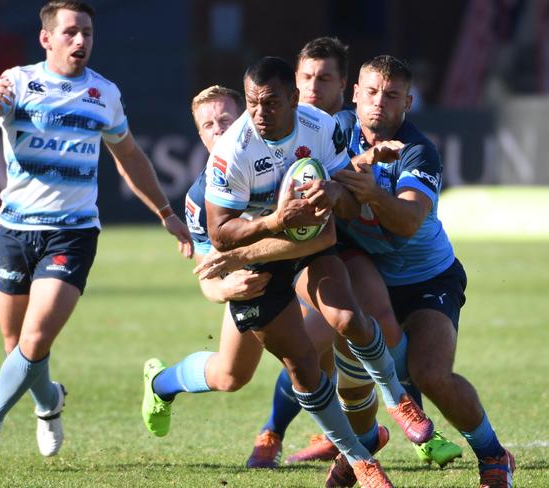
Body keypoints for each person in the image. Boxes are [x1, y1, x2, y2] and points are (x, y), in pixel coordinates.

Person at [146, 55, 437, 487]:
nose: (257, 115)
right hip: (252, 268)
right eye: (251, 104)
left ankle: (397, 400)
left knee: (347, 317)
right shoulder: (229, 159)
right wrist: (270, 228)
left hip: (300, 247)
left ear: (294, 99)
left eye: (269, 103)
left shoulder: (319, 127)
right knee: (258, 370)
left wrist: (335, 190)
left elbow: (336, 220)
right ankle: (360, 459)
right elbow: (222, 242)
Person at [0, 0, 192, 465]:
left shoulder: (104, 93)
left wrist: (165, 212)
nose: (80, 41)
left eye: (87, 33)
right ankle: (48, 403)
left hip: (73, 233)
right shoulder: (16, 83)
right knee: (15, 347)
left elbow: (130, 157)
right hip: (16, 230)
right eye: (70, 32)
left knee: (35, 340)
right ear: (46, 38)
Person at [330, 55, 514, 487]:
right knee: (353, 382)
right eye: (371, 92)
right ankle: (358, 450)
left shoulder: (418, 150)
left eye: (391, 95)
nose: (379, 103)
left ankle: (493, 456)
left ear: (408, 102)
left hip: (428, 279)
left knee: (431, 374)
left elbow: (408, 222)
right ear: (355, 93)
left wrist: (373, 192)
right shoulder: (334, 130)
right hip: (367, 274)